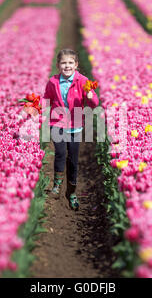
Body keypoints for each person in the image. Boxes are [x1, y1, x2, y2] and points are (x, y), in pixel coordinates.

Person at [41, 49, 99, 210]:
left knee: (73, 159)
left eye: (70, 63)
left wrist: (90, 97)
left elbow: (95, 103)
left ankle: (71, 192)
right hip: (57, 122)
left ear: (76, 65)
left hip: (75, 124)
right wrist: (38, 111)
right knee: (60, 153)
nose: (67, 66)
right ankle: (57, 185)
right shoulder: (53, 82)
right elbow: (47, 98)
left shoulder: (82, 81)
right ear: (58, 65)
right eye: (64, 63)